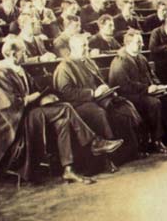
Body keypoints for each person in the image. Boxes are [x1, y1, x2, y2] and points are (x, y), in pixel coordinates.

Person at [0, 36, 124, 184]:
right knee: (66, 108)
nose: (26, 55)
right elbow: (11, 106)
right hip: (18, 122)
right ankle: (95, 142)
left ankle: (68, 170)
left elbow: (36, 92)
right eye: (23, 52)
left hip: (32, 113)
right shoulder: (1, 75)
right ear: (12, 54)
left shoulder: (20, 71)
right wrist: (35, 97)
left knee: (62, 122)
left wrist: (45, 97)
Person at [53, 34, 144, 166]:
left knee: (121, 108)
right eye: (83, 46)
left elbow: (99, 80)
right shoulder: (64, 67)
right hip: (78, 104)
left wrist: (104, 87)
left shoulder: (88, 61)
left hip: (96, 99)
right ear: (72, 48)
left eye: (87, 45)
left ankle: (128, 152)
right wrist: (92, 93)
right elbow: (66, 92)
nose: (87, 49)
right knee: (99, 113)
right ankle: (107, 158)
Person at [109, 31, 167, 152]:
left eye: (141, 42)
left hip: (145, 92)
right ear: (128, 44)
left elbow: (152, 75)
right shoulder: (120, 61)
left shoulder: (141, 58)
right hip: (129, 96)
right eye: (138, 42)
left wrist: (158, 85)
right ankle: (157, 140)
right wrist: (146, 88)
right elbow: (124, 85)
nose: (142, 45)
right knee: (154, 104)